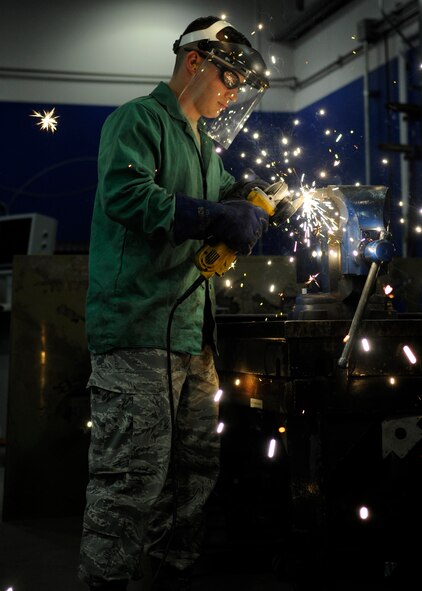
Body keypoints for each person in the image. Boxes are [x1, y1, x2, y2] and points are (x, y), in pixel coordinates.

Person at [79, 15, 272, 591]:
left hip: (192, 338)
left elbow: (224, 189)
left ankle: (170, 577)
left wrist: (254, 198)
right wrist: (214, 214)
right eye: (228, 80)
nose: (231, 93)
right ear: (196, 62)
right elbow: (127, 194)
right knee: (129, 485)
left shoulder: (203, 147)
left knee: (190, 478)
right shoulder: (138, 120)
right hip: (139, 333)